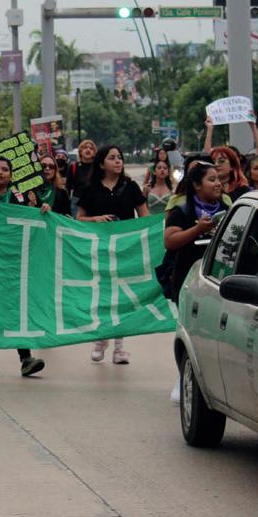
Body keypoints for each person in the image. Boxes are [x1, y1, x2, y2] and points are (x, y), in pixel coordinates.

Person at [0, 157, 46, 377]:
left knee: (17, 307)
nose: (0, 172)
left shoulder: (20, 198)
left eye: (5, 169)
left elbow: (36, 219)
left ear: (11, 175)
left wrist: (43, 209)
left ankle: (26, 358)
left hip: (12, 262)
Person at [76, 145, 148, 365]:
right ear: (101, 164)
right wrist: (95, 219)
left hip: (125, 251)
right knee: (101, 295)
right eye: (112, 158)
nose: (118, 161)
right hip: (99, 251)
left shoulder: (131, 187)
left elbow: (145, 217)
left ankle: (119, 347)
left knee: (121, 297)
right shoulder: (90, 189)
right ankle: (101, 338)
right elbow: (79, 219)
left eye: (120, 157)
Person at [162, 162, 227, 404]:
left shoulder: (228, 209)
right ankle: (185, 376)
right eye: (212, 179)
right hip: (189, 281)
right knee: (190, 332)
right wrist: (198, 229)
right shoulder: (182, 210)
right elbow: (170, 241)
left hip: (220, 281)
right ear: (197, 185)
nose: (218, 183)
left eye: (218, 179)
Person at [67, 139, 97, 214]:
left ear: (94, 153)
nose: (88, 150)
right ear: (80, 151)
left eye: (91, 148)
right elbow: (68, 187)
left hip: (94, 201)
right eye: (85, 147)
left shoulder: (98, 167)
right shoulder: (73, 167)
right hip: (77, 202)